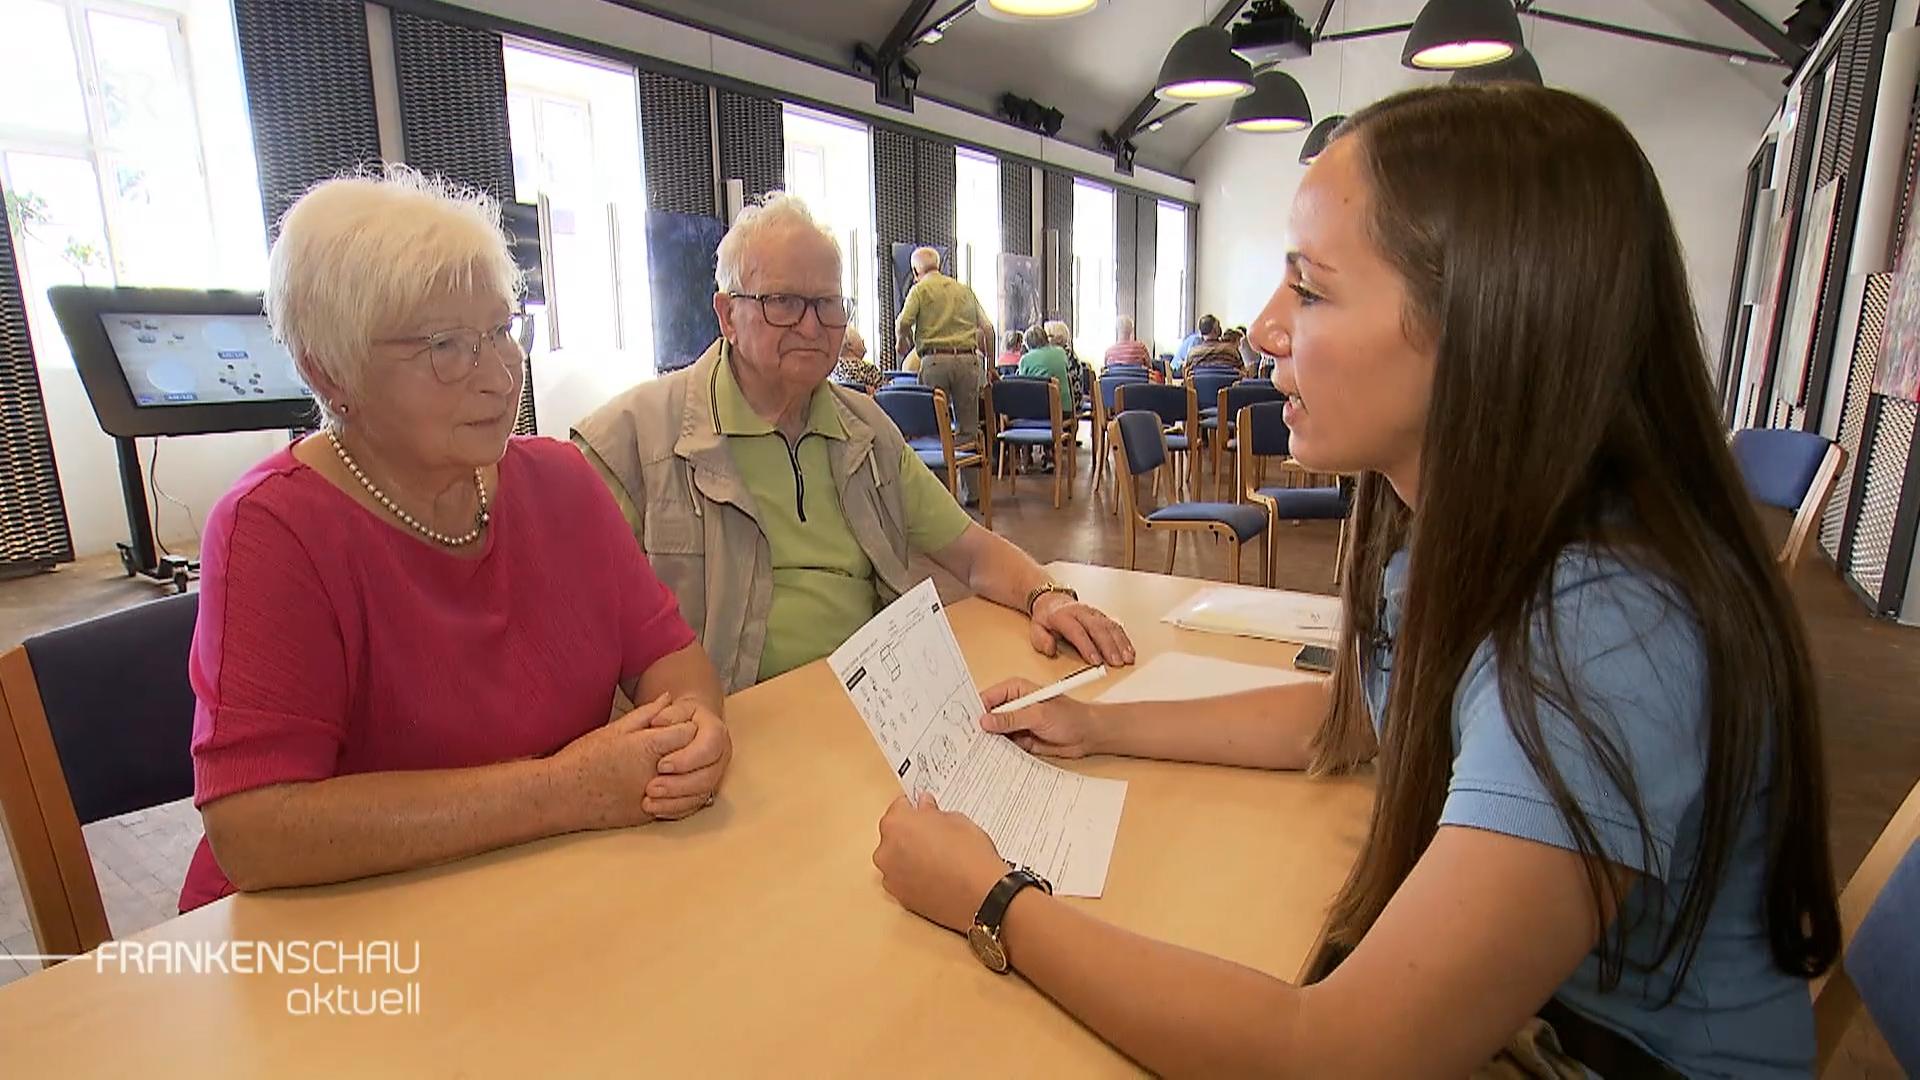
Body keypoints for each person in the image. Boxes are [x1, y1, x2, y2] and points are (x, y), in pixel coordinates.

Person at [872, 85, 1839, 1078]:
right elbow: (1369, 712)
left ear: (1487, 321)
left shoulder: (1605, 629)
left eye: (1313, 288)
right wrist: (1099, 724)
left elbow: (1334, 1057)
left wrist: (994, 900)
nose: (1263, 328)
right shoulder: (1472, 535)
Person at [182, 167, 730, 912]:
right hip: (345, 941)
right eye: (446, 346)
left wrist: (693, 736)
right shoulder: (273, 531)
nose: (502, 375)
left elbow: (670, 657)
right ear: (328, 368)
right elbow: (253, 831)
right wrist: (560, 793)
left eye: (503, 331)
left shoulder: (561, 481)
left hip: (537, 897)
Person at [573, 194, 1134, 692]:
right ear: (727, 315)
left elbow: (971, 549)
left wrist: (1047, 596)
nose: (814, 328)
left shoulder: (864, 429)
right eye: (784, 303)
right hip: (731, 731)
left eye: (828, 304)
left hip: (869, 708)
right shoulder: (632, 440)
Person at [896, 246, 994, 481]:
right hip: (968, 361)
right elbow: (988, 329)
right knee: (969, 430)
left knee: (936, 428)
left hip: (935, 361)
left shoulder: (919, 290)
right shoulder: (964, 290)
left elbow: (903, 322)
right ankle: (973, 494)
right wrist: (989, 366)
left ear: (915, 271)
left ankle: (941, 490)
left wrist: (903, 342)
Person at [1015, 323, 1072, 414]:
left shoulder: (1025, 360)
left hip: (1037, 412)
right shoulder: (1061, 353)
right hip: (1064, 410)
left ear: (1027, 345)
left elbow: (1022, 388)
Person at [834, 324, 883, 392]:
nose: (863, 341)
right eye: (860, 339)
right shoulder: (868, 369)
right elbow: (884, 393)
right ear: (849, 345)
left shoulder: (832, 371)